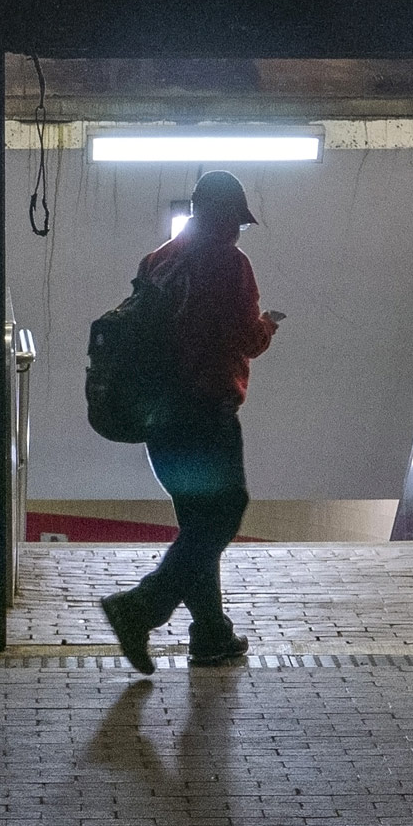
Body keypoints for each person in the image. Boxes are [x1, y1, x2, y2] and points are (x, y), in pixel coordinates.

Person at [99, 170, 281, 673]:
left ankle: (211, 635)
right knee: (224, 512)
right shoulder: (228, 264)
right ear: (224, 218)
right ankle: (140, 608)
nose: (239, 231)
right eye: (237, 221)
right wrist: (267, 327)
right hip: (204, 411)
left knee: (197, 523)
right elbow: (244, 337)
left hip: (157, 415)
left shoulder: (159, 259)